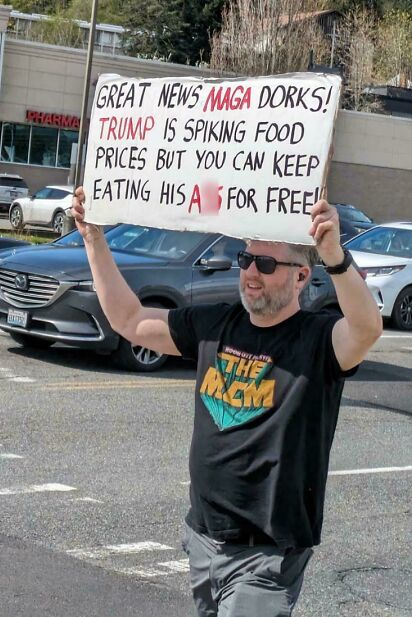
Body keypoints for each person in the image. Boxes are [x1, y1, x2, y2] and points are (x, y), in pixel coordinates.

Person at [71, 188, 382, 617]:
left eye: (267, 264)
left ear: (301, 277)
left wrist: (336, 257)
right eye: (246, 259)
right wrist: (93, 239)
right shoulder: (217, 322)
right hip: (203, 538)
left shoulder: (318, 339)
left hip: (267, 555)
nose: (251, 272)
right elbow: (131, 319)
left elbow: (365, 329)